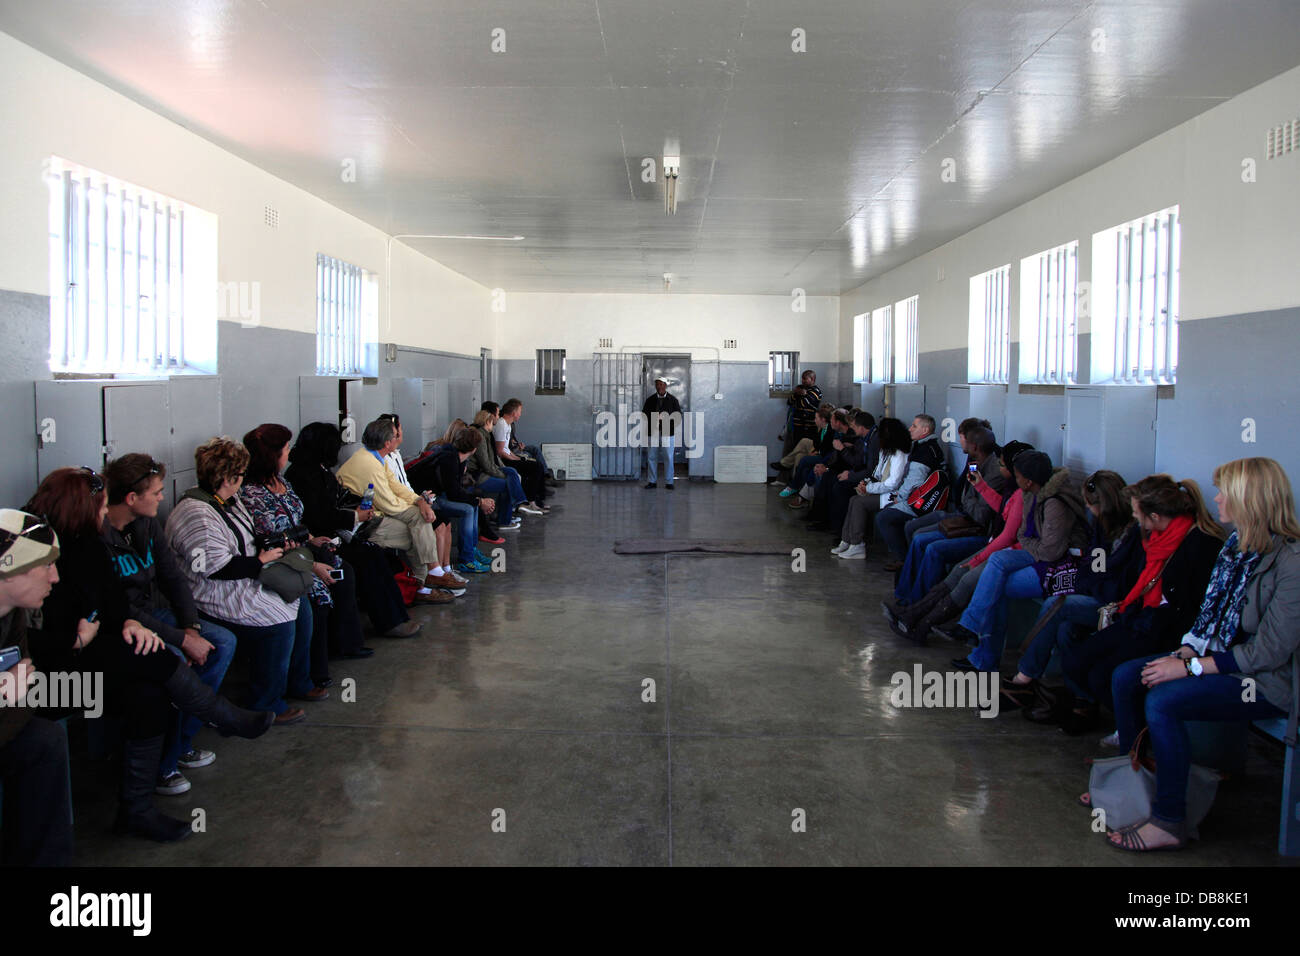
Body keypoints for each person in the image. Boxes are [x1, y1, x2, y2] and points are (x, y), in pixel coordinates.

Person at [30, 466, 273, 842]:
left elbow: (113, 607)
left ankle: (137, 811)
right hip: (49, 686)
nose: (103, 513)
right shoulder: (36, 557)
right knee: (151, 661)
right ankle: (221, 715)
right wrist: (77, 641)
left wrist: (128, 624)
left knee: (149, 692)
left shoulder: (89, 546)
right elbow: (32, 646)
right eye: (98, 506)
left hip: (88, 665)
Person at [1088, 457, 1300, 852]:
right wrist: (1187, 651)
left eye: (1225, 492)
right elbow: (1209, 617)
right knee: (1126, 676)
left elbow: (1269, 651)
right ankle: (1131, 787)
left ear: (1248, 500)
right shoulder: (1236, 545)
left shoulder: (1290, 564)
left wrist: (1188, 667)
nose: (1216, 498)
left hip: (1262, 681)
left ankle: (1168, 819)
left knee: (1164, 701)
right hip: (1218, 659)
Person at [102, 454, 240, 796]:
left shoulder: (146, 525)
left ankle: (180, 744)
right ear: (132, 498)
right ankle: (163, 767)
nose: (163, 497)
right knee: (174, 660)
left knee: (221, 642)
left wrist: (191, 627)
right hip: (121, 627)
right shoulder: (99, 538)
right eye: (157, 492)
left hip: (154, 617)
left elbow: (172, 578)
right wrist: (180, 638)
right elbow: (121, 610)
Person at [1056, 474, 1225, 732]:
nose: (1134, 517)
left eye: (1137, 512)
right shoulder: (1153, 537)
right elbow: (1109, 570)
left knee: (1102, 673)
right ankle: (1123, 721)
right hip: (1139, 616)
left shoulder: (1201, 545)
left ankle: (1136, 733)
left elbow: (1194, 608)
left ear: (1154, 517)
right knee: (1079, 658)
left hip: (1166, 630)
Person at [165, 439, 315, 728]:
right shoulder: (196, 513)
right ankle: (265, 700)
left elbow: (247, 539)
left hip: (241, 576)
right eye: (241, 475)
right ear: (229, 478)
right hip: (211, 591)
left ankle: (296, 682)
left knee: (299, 602)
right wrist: (259, 561)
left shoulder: (226, 501)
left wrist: (274, 547)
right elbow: (216, 568)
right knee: (278, 619)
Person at [241, 424, 381, 692]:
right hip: (282, 558)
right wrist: (310, 559)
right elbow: (271, 536)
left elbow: (299, 519)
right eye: (284, 448)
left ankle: (342, 644)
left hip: (302, 546)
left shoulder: (281, 481)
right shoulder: (254, 493)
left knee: (345, 570)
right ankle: (310, 674)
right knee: (316, 592)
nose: (288, 452)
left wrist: (311, 539)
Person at [1005, 470, 1143, 714]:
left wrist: (1092, 583)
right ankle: (1081, 697)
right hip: (1098, 594)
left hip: (1116, 605)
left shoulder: (1134, 536)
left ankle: (1024, 678)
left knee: (1057, 605)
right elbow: (1095, 566)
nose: (1089, 510)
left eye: (1091, 505)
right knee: (1066, 627)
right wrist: (1089, 582)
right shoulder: (1103, 528)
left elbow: (1121, 581)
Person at [953, 450, 1090, 673]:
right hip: (1039, 556)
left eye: (1016, 475)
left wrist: (1028, 542)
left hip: (1060, 568)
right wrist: (1029, 542)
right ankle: (977, 642)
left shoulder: (1055, 503)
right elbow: (1024, 534)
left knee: (995, 586)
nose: (1014, 480)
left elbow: (1050, 551)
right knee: (996, 568)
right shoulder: (1030, 494)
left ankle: (978, 645)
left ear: (1027, 480)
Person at [886, 441, 1033, 645]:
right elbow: (1003, 509)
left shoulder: (1021, 494)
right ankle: (912, 611)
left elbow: (1004, 533)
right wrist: (979, 486)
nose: (1000, 469)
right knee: (954, 568)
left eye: (1003, 466)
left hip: (998, 545)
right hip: (994, 542)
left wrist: (979, 557)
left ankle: (923, 624)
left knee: (961, 573)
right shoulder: (1013, 490)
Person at [284, 422, 421, 638]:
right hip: (320, 537)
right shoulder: (303, 475)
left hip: (334, 531)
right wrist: (354, 516)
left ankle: (397, 616)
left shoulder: (316, 469)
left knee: (375, 556)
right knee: (367, 560)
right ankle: (389, 620)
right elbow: (318, 515)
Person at [0, 509, 74, 865]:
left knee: (45, 737)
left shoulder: (11, 613)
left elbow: (23, 694)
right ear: (10, 570)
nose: (55, 577)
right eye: (45, 565)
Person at [337, 419, 462, 599]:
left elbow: (395, 486)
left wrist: (419, 501)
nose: (399, 438)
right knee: (418, 529)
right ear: (387, 443)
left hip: (375, 516)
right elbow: (389, 504)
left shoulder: (375, 457)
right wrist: (421, 506)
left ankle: (426, 580)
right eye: (396, 435)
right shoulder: (369, 464)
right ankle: (427, 579)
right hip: (361, 525)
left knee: (419, 529)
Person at [887, 426, 1006, 590]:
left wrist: (968, 497)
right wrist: (969, 497)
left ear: (974, 446)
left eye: (964, 439)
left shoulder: (993, 473)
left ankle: (917, 595)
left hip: (976, 528)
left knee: (926, 542)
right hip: (964, 517)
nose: (960, 442)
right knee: (914, 531)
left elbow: (980, 514)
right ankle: (907, 589)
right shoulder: (975, 462)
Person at [874, 414, 947, 570]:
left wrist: (899, 498)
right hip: (923, 498)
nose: (910, 429)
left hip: (921, 502)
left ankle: (904, 559)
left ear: (925, 430)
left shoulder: (924, 452)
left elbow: (914, 481)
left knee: (884, 517)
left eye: (914, 426)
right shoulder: (928, 447)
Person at [831, 417, 910, 559]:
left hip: (893, 495)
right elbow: (877, 473)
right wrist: (866, 484)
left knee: (860, 503)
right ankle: (847, 540)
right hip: (880, 489)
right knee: (854, 499)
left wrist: (870, 489)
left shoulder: (899, 454)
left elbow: (893, 483)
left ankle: (857, 544)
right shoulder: (886, 451)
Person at [468, 409, 530, 524]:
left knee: (511, 471)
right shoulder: (481, 437)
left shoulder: (486, 435)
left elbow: (492, 460)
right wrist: (501, 474)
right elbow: (485, 464)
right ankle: (505, 520)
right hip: (478, 475)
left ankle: (520, 502)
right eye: (492, 422)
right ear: (487, 422)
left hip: (486, 470)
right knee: (507, 485)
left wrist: (501, 471)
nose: (494, 425)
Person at [494, 400, 549, 511]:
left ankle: (536, 501)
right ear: (514, 412)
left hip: (508, 457)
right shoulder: (501, 424)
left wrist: (518, 458)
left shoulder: (507, 425)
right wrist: (517, 460)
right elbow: (500, 452)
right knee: (536, 467)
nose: (520, 414)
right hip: (502, 461)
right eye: (519, 411)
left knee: (536, 465)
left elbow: (507, 450)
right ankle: (531, 502)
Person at [641, 378, 683, 490]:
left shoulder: (673, 400)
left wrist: (666, 420)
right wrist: (654, 418)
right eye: (657, 385)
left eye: (661, 385)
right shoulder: (650, 400)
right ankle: (652, 482)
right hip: (653, 431)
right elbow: (643, 415)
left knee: (668, 457)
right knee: (651, 457)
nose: (659, 387)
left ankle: (669, 482)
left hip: (667, 432)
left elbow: (678, 416)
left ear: (665, 386)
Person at [782, 370, 822, 458]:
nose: (803, 381)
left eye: (805, 379)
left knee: (804, 451)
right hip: (797, 426)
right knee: (795, 447)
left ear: (812, 379)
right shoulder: (800, 389)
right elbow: (790, 401)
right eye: (802, 378)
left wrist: (800, 394)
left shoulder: (816, 391)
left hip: (809, 426)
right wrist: (798, 393)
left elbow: (804, 404)